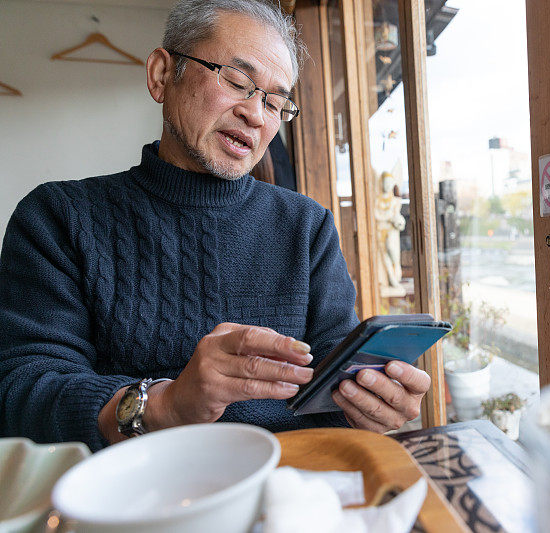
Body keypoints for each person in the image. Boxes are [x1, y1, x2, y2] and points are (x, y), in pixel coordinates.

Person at [0, 0, 430, 452]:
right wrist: (164, 405)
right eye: (238, 81)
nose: (257, 115)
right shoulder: (59, 217)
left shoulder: (307, 225)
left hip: (292, 489)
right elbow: (22, 389)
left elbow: (331, 377)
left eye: (275, 101)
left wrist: (370, 401)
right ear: (162, 75)